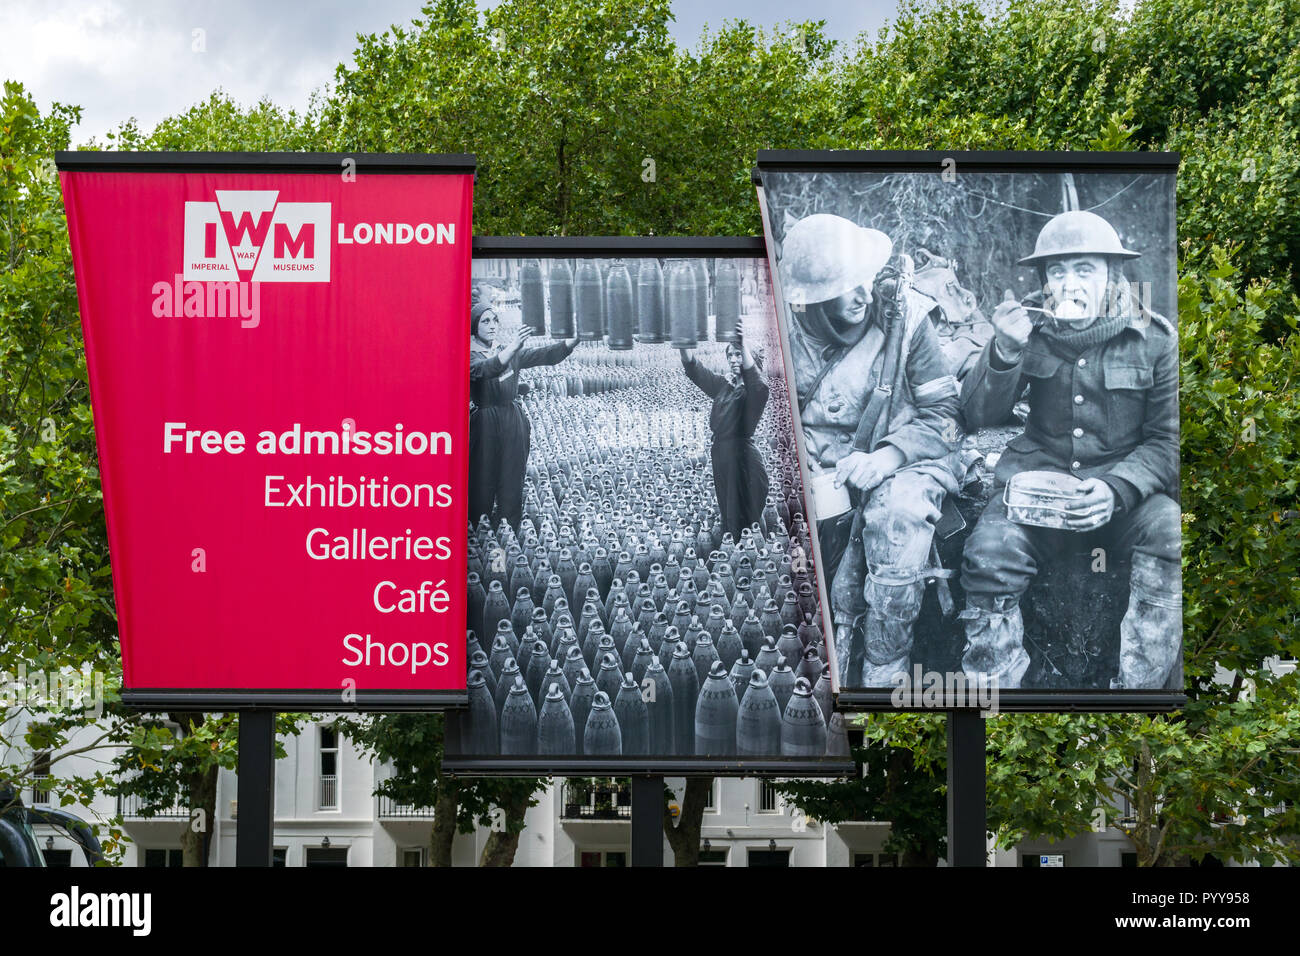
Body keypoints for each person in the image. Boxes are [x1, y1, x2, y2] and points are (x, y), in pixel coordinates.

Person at [958, 209, 1181, 690]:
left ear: (1111, 276)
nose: (1069, 282)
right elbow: (977, 417)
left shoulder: (1156, 342)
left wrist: (1117, 487)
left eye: (1085, 269)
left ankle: (1138, 697)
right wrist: (1004, 352)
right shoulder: (1026, 329)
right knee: (989, 553)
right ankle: (994, 698)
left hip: (1123, 501)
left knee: (1169, 532)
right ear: (1043, 280)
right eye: (1057, 271)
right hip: (1034, 494)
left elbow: (1167, 440)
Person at [780, 214, 965, 686]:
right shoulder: (782, 332)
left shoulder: (909, 320)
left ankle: (886, 670)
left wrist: (886, 457)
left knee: (899, 517)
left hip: (905, 455)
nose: (864, 295)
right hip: (820, 467)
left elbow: (944, 415)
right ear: (814, 302)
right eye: (846, 287)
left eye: (865, 280)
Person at [469, 300, 578, 529]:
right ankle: (479, 530)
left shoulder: (507, 352)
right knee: (483, 476)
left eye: (494, 320)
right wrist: (513, 347)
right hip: (485, 421)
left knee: (512, 474)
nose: (491, 325)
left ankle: (510, 529)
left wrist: (574, 340)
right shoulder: (470, 355)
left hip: (512, 419)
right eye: (485, 321)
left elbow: (545, 355)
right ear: (473, 327)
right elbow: (487, 369)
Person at [679, 323, 770, 541]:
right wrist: (681, 343)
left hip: (743, 462)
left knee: (746, 519)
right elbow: (695, 370)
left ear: (751, 358)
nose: (733, 359)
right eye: (730, 355)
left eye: (738, 354)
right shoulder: (724, 387)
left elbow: (756, 383)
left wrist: (742, 343)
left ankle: (753, 556)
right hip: (722, 457)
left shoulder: (756, 391)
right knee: (729, 517)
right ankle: (738, 555)